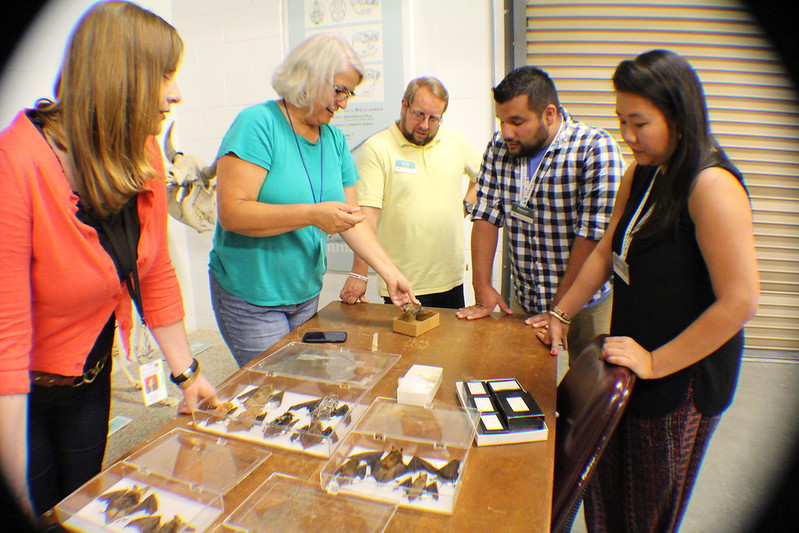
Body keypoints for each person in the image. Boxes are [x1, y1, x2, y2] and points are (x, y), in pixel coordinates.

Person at [0, 0, 218, 519]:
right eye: (165, 75)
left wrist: (188, 374)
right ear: (118, 75)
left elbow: (155, 270)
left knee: (82, 504)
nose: (176, 92)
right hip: (21, 391)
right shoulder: (17, 164)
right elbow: (4, 345)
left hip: (89, 376)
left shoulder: (142, 148)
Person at [544, 49, 759, 531]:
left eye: (638, 122)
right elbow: (605, 250)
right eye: (621, 120)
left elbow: (741, 299)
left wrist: (657, 363)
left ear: (678, 114)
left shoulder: (710, 185)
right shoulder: (642, 170)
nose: (626, 134)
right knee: (603, 488)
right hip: (631, 357)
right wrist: (561, 314)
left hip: (679, 377)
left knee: (645, 510)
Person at [210, 33, 418, 367]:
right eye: (339, 91)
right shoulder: (258, 124)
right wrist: (312, 215)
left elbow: (353, 220)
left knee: (302, 384)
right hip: (252, 295)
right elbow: (233, 214)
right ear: (309, 78)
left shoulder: (334, 139)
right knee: (273, 391)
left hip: (305, 293)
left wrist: (389, 273)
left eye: (349, 94)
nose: (343, 103)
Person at [456, 66, 624, 361]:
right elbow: (485, 215)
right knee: (527, 382)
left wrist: (560, 309)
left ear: (549, 114)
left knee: (588, 389)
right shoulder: (499, 147)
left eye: (517, 122)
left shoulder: (595, 149)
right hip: (526, 299)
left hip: (587, 304)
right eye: (502, 121)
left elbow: (593, 237)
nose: (506, 132)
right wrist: (481, 286)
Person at [338, 76, 482, 309]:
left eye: (434, 118)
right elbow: (367, 217)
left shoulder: (455, 143)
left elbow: (484, 177)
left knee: (451, 346)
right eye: (419, 114)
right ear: (404, 106)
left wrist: (464, 207)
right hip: (402, 283)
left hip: (450, 279)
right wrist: (360, 273)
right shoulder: (378, 147)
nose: (425, 125)